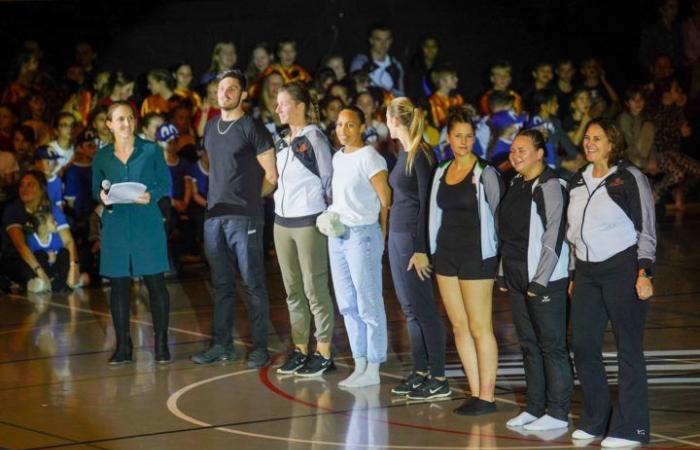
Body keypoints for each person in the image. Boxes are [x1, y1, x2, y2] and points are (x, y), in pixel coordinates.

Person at [567, 118, 656, 448]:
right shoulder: (576, 181)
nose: (589, 143)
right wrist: (575, 274)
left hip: (624, 268)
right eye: (587, 138)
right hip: (588, 274)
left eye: (597, 138)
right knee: (584, 345)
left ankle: (631, 428)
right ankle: (595, 419)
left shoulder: (629, 178)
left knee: (628, 349)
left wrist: (644, 272)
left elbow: (646, 227)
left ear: (612, 143)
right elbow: (574, 233)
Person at [190, 70, 277, 368]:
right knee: (222, 284)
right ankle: (222, 345)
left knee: (253, 283)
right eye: (221, 88)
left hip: (245, 217)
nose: (225, 93)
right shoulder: (212, 127)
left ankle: (260, 348)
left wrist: (253, 201)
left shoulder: (252, 128)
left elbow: (272, 177)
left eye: (232, 89)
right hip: (215, 217)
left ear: (243, 94)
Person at [428, 108, 504, 415]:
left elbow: (501, 218)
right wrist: (429, 250)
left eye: (469, 136)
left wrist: (501, 262)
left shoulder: (485, 172)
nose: (463, 141)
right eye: (458, 136)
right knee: (459, 327)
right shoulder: (440, 170)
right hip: (446, 255)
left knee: (479, 326)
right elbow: (433, 214)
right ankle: (475, 393)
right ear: (448, 138)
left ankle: (487, 396)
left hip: (477, 256)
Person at [498, 129, 572, 431]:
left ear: (540, 153)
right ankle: (534, 407)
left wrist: (540, 279)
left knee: (551, 346)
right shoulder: (516, 183)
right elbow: (509, 234)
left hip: (543, 279)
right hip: (517, 276)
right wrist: (504, 272)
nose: (515, 155)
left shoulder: (550, 185)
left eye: (523, 150)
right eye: (513, 150)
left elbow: (554, 235)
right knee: (528, 345)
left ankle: (557, 413)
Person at [92, 101, 172, 365]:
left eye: (130, 118)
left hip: (146, 223)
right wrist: (103, 196)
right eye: (120, 119)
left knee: (155, 283)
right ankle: (124, 346)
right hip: (116, 226)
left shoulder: (150, 150)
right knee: (118, 286)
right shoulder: (102, 157)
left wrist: (152, 195)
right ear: (109, 125)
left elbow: (165, 183)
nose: (126, 124)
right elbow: (95, 190)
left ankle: (161, 344)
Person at [384, 97, 449, 400]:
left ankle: (438, 376)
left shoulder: (422, 154)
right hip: (398, 238)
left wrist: (422, 249)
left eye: (387, 118)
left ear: (394, 120)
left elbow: (428, 204)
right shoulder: (403, 153)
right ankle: (420, 370)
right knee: (409, 310)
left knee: (423, 309)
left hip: (412, 241)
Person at [272, 82, 336, 377]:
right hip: (281, 223)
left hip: (309, 222)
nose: (278, 109)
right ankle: (300, 349)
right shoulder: (282, 141)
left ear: (299, 106)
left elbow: (329, 180)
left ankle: (323, 351)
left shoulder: (314, 139)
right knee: (293, 291)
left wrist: (330, 215)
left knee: (314, 289)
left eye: (283, 103)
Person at [325, 106, 391, 388]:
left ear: (362, 126)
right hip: (338, 235)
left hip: (362, 235)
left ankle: (374, 364)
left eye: (350, 125)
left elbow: (385, 199)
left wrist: (382, 234)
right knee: (348, 304)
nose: (343, 130)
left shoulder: (370, 157)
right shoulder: (338, 157)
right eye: (340, 125)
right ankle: (360, 362)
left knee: (368, 302)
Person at [1, 171, 80, 292]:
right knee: (28, 272)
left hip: (50, 255)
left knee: (72, 258)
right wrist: (40, 271)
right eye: (22, 185)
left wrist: (74, 267)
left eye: (30, 185)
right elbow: (20, 246)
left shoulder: (52, 209)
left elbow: (68, 241)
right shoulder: (13, 210)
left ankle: (60, 281)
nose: (24, 189)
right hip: (20, 257)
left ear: (42, 189)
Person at [350, 24, 405, 96]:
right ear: (371, 40)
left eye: (387, 40)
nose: (383, 44)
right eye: (379, 40)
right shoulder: (360, 63)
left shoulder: (396, 66)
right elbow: (354, 90)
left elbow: (401, 94)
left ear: (391, 41)